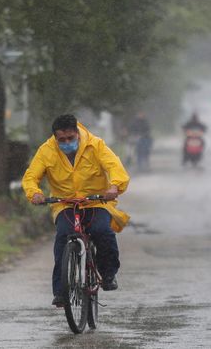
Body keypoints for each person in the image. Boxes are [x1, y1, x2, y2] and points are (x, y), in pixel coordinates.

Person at [22, 113, 130, 307]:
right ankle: (61, 291)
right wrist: (34, 193)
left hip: (96, 202)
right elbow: (31, 177)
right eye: (61, 140)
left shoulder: (96, 145)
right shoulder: (46, 151)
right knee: (63, 236)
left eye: (70, 138)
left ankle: (108, 274)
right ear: (55, 138)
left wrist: (114, 186)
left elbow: (114, 167)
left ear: (78, 133)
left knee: (102, 231)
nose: (66, 143)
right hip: (65, 204)